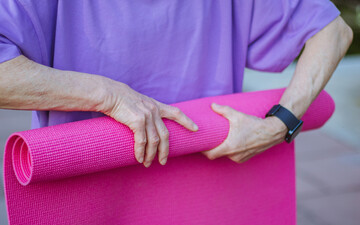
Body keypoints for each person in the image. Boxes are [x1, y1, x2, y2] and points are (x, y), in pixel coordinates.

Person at [0, 0, 353, 168]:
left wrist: (280, 124)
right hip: (89, 188)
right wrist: (108, 96)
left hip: (209, 187)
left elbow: (333, 31)